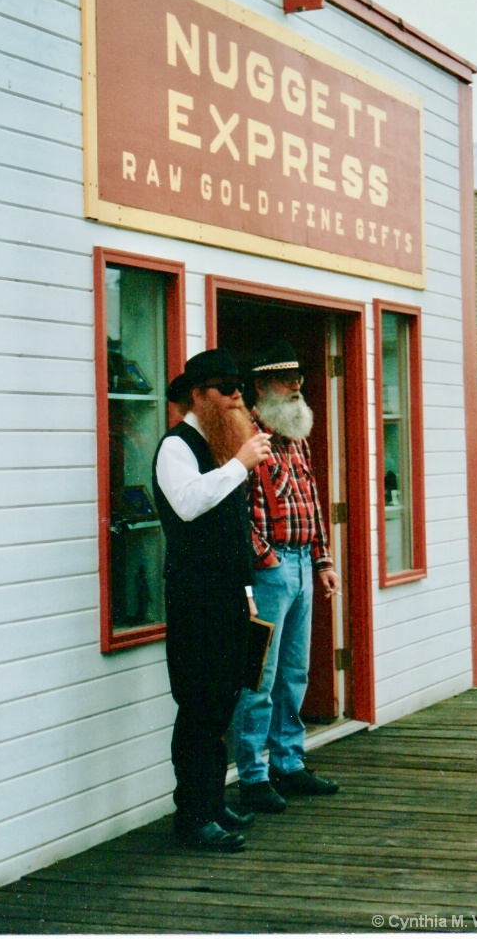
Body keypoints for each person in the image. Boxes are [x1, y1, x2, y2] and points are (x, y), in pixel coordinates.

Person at [152, 347, 272, 852]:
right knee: (198, 705)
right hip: (195, 598)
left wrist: (246, 593)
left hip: (226, 596)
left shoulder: (222, 451)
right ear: (199, 395)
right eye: (226, 388)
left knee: (223, 701)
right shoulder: (176, 447)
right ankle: (193, 816)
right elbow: (188, 504)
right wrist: (240, 464)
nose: (237, 396)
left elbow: (231, 533)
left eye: (239, 387)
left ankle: (213, 801)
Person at [233, 341, 341, 813]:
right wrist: (266, 559)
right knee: (259, 674)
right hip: (270, 571)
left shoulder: (297, 437)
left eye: (298, 377)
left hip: (301, 565)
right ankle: (253, 776)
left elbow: (312, 506)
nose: (296, 385)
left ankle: (289, 764)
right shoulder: (245, 437)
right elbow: (236, 513)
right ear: (261, 386)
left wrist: (323, 561)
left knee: (294, 673)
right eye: (284, 378)